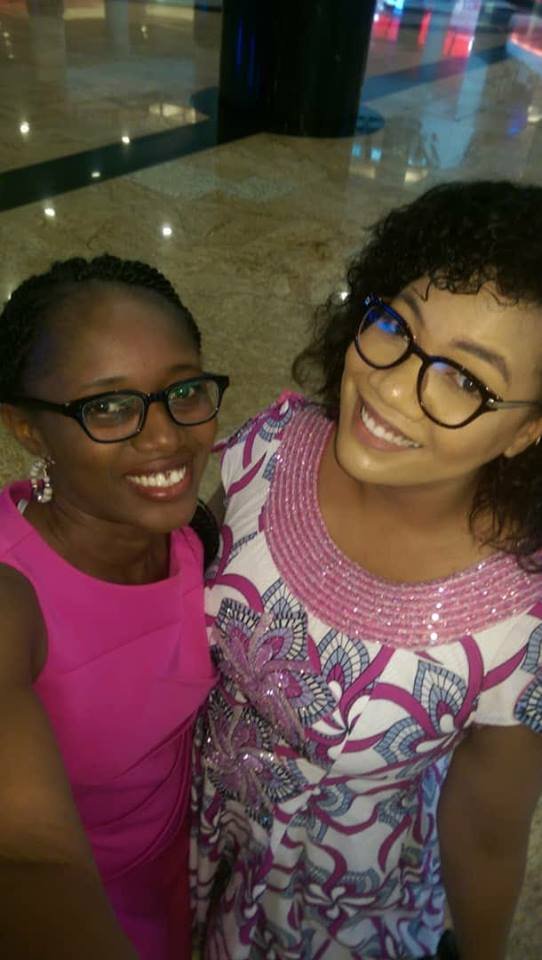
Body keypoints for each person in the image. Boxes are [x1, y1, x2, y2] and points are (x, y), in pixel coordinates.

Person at [191, 181, 542, 960]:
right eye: (394, 325)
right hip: (183, 823)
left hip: (331, 909)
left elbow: (487, 830)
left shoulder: (518, 627)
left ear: (527, 433)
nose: (389, 385)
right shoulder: (270, 451)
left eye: (466, 379)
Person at [0, 255, 228, 959]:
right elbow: (30, 857)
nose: (165, 437)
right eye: (107, 406)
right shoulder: (12, 595)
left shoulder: (191, 534)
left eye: (182, 390)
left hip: (184, 863)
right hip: (77, 915)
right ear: (27, 428)